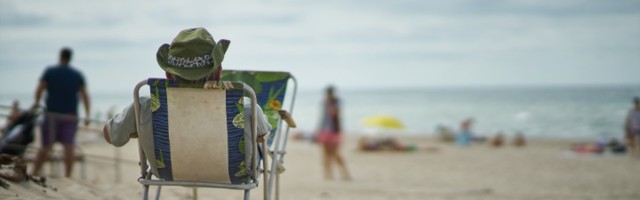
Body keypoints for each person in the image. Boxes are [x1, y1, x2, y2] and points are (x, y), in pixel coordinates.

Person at [101, 27, 272, 178]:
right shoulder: (245, 108)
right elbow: (263, 136)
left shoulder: (145, 106)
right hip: (234, 174)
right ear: (219, 72)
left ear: (168, 74)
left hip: (167, 172)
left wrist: (138, 127)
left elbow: (111, 136)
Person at [31, 47, 91, 178]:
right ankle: (67, 177)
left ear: (60, 56)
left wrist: (36, 103)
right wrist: (87, 115)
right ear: (70, 58)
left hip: (51, 114)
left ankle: (34, 172)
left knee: (45, 146)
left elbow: (40, 88)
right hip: (69, 116)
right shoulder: (76, 74)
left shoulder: (50, 71)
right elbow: (85, 95)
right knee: (69, 147)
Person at [316, 85, 351, 180]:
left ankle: (345, 173)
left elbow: (336, 115)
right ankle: (328, 174)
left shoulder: (336, 102)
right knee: (325, 154)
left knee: (335, 154)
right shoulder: (324, 103)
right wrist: (318, 130)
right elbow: (322, 118)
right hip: (324, 130)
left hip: (334, 130)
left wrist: (331, 106)